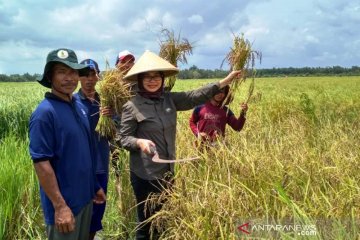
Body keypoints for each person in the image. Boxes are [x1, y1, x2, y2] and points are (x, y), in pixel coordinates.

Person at [119, 50, 242, 240]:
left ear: (162, 78)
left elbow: (194, 96)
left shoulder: (170, 99)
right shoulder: (132, 105)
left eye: (156, 76)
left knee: (164, 219)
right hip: (144, 174)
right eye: (147, 77)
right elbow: (123, 138)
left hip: (167, 172)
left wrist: (223, 82)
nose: (152, 80)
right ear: (140, 80)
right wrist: (139, 142)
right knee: (145, 223)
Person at [29, 48, 106, 240]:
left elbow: (86, 150)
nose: (68, 77)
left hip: (85, 199)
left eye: (72, 72)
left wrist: (94, 185)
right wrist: (60, 207)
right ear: (50, 76)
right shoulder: (44, 114)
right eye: (61, 72)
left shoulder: (79, 106)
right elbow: (41, 163)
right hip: (65, 207)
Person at [74, 59, 110, 240]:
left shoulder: (106, 102)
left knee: (97, 214)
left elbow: (116, 132)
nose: (89, 79)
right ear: (78, 77)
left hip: (101, 165)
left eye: (92, 74)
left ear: (98, 76)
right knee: (79, 212)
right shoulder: (72, 102)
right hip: (79, 168)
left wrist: (111, 119)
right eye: (84, 75)